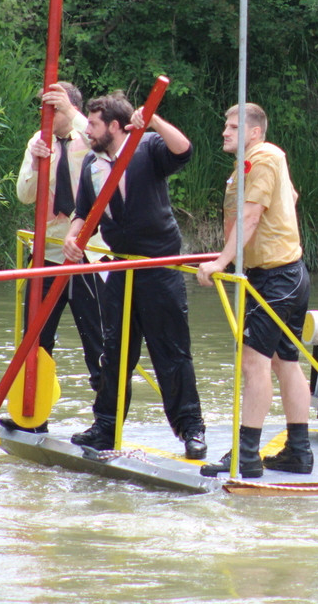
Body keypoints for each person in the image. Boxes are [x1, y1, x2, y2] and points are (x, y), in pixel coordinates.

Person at [62, 92, 207, 459]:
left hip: (158, 267)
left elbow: (184, 150)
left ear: (114, 126)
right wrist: (71, 236)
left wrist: (154, 121)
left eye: (93, 124)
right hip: (119, 267)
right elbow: (83, 211)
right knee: (114, 353)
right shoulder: (92, 165)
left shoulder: (148, 147)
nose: (88, 131)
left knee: (172, 352)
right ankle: (106, 427)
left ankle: (192, 429)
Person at [196, 103, 313, 478]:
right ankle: (299, 452)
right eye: (225, 126)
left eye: (233, 127)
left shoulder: (259, 158)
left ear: (255, 131)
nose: (225, 133)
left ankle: (246, 455)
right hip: (290, 272)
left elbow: (250, 216)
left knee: (254, 363)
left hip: (276, 278)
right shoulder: (264, 159)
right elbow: (290, 199)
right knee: (285, 362)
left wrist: (220, 262)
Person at [0, 82, 107, 435]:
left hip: (87, 255)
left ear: (70, 109)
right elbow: (24, 195)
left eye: (55, 110)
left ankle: (104, 423)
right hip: (46, 255)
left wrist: (74, 115)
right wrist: (34, 160)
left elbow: (110, 159)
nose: (48, 117)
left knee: (97, 340)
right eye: (45, 110)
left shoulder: (89, 135)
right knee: (35, 337)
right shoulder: (38, 139)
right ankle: (32, 414)